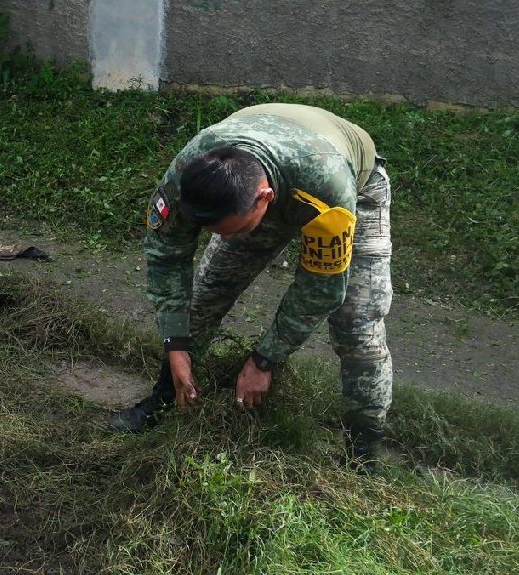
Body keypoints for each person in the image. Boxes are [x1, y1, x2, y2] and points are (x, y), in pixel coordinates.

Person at [111, 103, 393, 470]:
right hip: (264, 179)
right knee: (205, 296)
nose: (224, 239)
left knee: (358, 327)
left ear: (264, 199)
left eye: (233, 230)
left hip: (352, 183)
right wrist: (175, 344)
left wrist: (265, 359)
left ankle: (363, 454)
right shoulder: (189, 173)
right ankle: (165, 399)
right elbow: (166, 255)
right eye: (216, 232)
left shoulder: (329, 192)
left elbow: (320, 288)